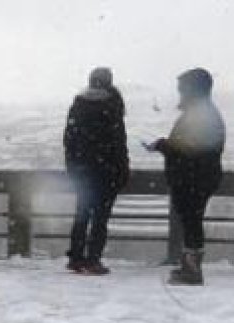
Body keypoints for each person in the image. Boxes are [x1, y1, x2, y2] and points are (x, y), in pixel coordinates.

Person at [148, 68, 226, 285]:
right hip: (199, 176)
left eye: (182, 88)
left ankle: (191, 272)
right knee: (192, 221)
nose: (179, 93)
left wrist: (164, 145)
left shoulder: (199, 115)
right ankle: (189, 267)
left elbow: (191, 149)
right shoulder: (204, 112)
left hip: (194, 178)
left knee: (192, 222)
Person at [63, 67, 129, 275]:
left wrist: (73, 167)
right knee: (101, 217)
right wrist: (122, 169)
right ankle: (93, 259)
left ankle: (76, 256)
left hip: (83, 171)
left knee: (82, 213)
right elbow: (118, 142)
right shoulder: (112, 105)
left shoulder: (79, 105)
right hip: (106, 171)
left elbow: (69, 141)